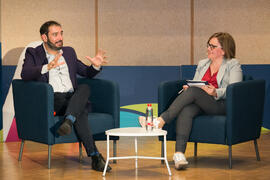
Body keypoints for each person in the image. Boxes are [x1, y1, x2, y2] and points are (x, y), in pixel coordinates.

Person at [140, 32, 243, 170]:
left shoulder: (233, 64)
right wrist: (189, 87)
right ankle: (179, 154)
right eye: (208, 45)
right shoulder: (203, 64)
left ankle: (160, 120)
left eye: (212, 46)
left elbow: (234, 89)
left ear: (223, 50)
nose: (208, 49)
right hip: (202, 103)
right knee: (187, 109)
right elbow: (197, 84)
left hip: (221, 104)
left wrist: (215, 92)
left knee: (193, 92)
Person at [21, 20, 111, 172]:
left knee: (84, 87)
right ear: (45, 37)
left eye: (61, 33)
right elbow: (25, 74)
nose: (60, 37)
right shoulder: (33, 53)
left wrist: (95, 65)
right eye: (55, 34)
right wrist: (46, 67)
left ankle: (69, 120)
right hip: (53, 99)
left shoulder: (69, 52)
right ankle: (95, 156)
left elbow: (86, 72)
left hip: (72, 98)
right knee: (80, 110)